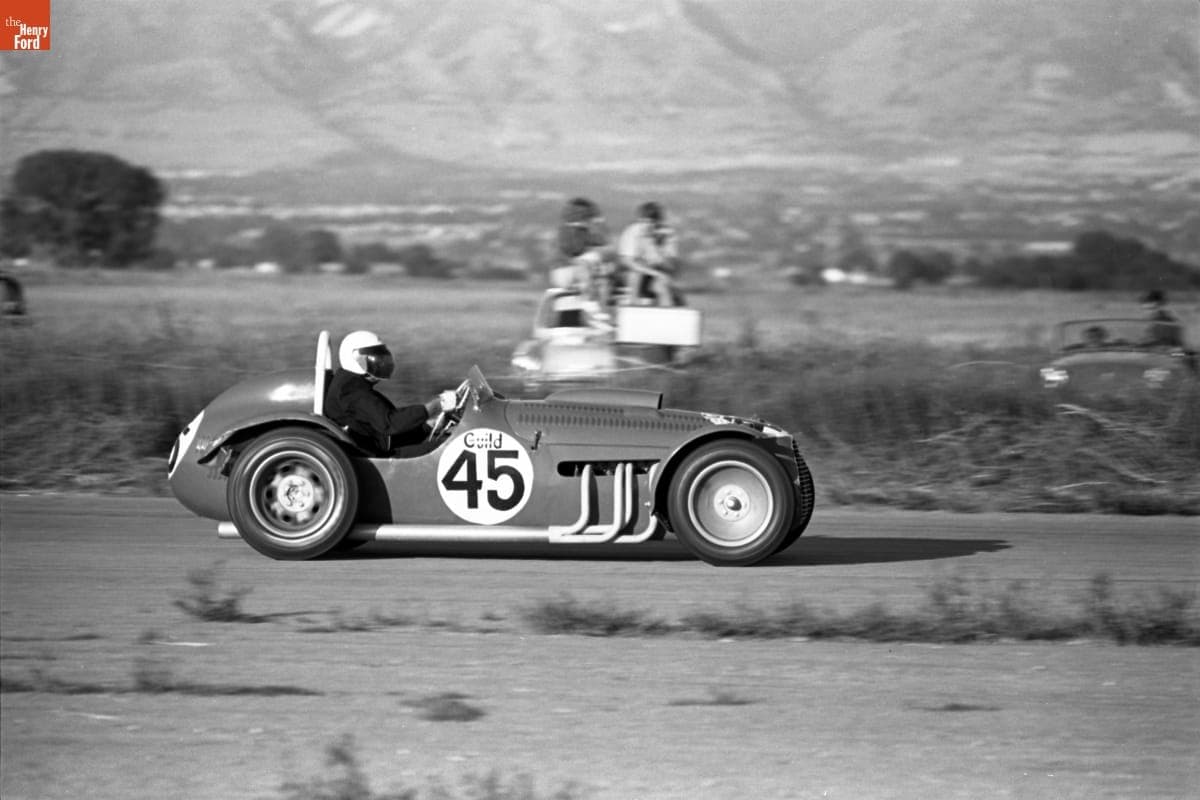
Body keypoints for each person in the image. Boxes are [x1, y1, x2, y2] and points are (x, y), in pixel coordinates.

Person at [323, 330, 457, 456]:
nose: (381, 363)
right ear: (355, 360)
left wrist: (427, 427)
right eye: (374, 358)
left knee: (446, 439)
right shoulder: (350, 391)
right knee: (452, 449)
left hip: (382, 443)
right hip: (378, 455)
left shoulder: (351, 383)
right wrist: (436, 406)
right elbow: (390, 424)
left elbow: (384, 425)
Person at [555, 196, 615, 321]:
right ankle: (591, 304)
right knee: (586, 265)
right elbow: (573, 250)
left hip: (577, 272)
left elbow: (605, 244)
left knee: (603, 278)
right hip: (566, 272)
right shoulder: (568, 231)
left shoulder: (583, 232)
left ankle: (598, 312)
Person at [617, 201, 682, 306]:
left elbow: (671, 265)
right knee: (634, 275)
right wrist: (650, 271)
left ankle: (668, 313)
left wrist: (659, 248)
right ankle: (633, 306)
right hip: (635, 272)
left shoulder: (667, 235)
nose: (645, 225)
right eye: (643, 221)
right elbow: (626, 261)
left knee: (661, 285)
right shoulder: (633, 232)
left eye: (650, 222)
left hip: (656, 272)